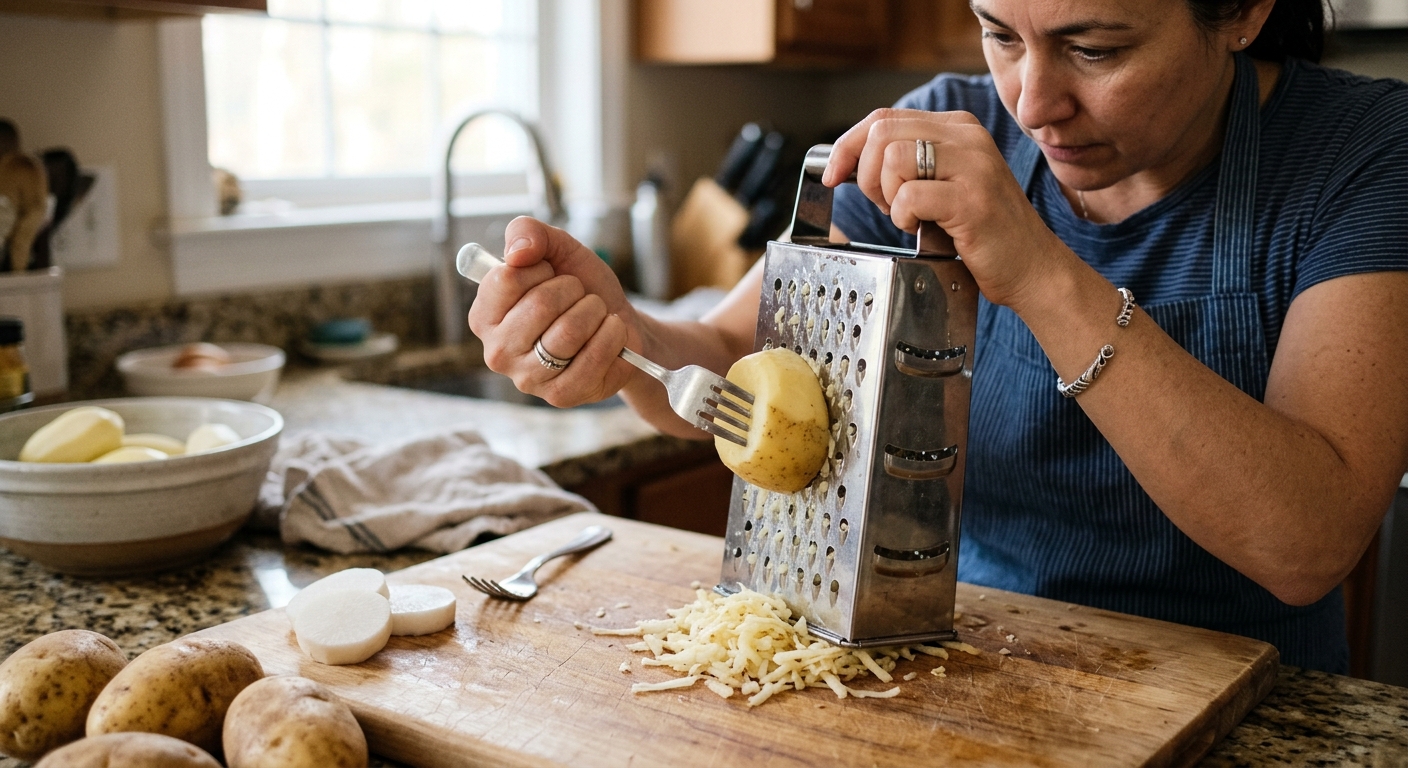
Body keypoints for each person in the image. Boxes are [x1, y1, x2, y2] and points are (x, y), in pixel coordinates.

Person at [468, 0, 1408, 673]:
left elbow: (1306, 545)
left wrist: (1037, 270)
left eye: (1094, 49)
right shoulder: (940, 134)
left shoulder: (1366, 155)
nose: (1032, 104)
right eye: (1001, 34)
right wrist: (619, 336)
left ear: (1243, 12)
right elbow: (726, 356)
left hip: (1235, 697)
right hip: (959, 664)